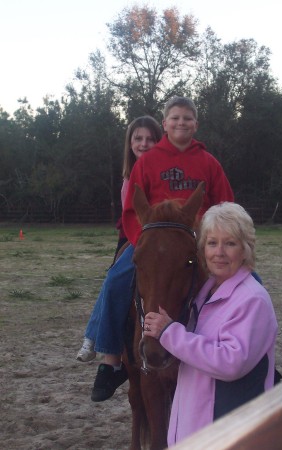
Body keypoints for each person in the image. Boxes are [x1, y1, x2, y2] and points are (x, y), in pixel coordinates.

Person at [82, 95, 234, 403]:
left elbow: (225, 203)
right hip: (152, 241)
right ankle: (110, 359)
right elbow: (130, 210)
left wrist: (216, 236)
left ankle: (252, 355)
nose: (181, 123)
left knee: (247, 282)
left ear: (196, 124)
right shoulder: (148, 162)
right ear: (164, 124)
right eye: (175, 118)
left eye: (187, 118)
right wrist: (146, 243)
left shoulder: (209, 163)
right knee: (115, 282)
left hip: (200, 240)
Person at [143, 201, 278, 446]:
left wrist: (171, 334)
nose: (219, 252)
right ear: (202, 248)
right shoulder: (205, 294)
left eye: (230, 243)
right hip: (197, 429)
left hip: (231, 432)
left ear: (245, 249)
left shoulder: (252, 300)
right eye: (212, 243)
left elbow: (231, 362)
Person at [76, 117, 162, 371]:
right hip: (138, 237)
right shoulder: (128, 178)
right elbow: (130, 218)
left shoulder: (163, 171)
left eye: (150, 138)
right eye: (138, 138)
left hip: (164, 236)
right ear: (130, 143)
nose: (144, 144)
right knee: (114, 280)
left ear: (159, 141)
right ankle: (104, 346)